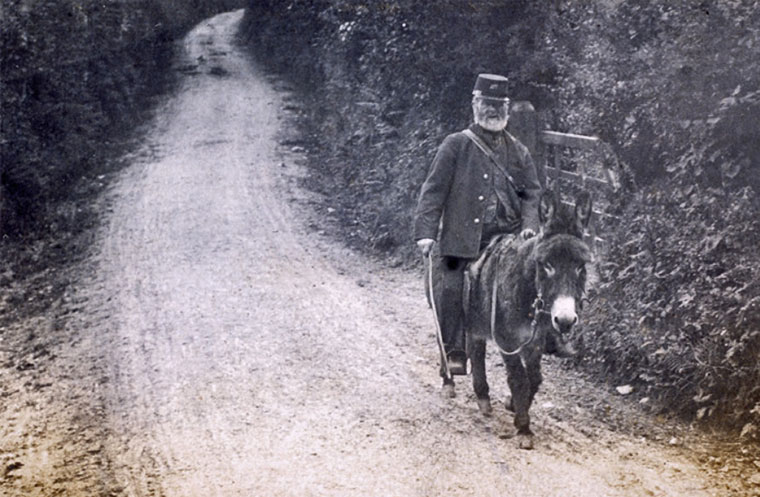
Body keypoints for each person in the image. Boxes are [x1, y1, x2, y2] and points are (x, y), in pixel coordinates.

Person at [413, 73, 542, 394]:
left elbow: (532, 194)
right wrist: (426, 233)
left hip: (508, 239)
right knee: (451, 286)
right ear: (474, 105)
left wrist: (529, 227)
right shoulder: (455, 145)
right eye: (486, 104)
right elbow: (433, 191)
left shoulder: (518, 151)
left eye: (499, 105)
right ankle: (454, 353)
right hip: (461, 240)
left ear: (508, 109)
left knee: (532, 285)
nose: (493, 111)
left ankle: (542, 340)